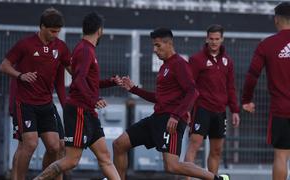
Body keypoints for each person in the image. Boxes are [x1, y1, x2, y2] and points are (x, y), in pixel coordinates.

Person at [113, 28, 230, 180]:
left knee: (172, 166)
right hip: (157, 119)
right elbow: (160, 98)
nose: (155, 50)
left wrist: (176, 116)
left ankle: (216, 179)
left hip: (171, 122)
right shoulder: (164, 67)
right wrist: (134, 89)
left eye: (158, 45)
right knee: (119, 144)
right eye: (154, 46)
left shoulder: (179, 64)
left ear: (169, 44)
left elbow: (192, 92)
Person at [33, 12, 122, 180]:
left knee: (105, 158)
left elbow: (88, 82)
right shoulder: (86, 50)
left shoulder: (86, 49)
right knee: (71, 160)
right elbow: (78, 80)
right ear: (100, 30)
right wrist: (94, 99)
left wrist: (111, 81)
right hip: (80, 111)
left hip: (88, 112)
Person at [0, 7, 71, 180]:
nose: (55, 34)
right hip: (24, 103)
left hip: (46, 104)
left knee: (55, 147)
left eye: (58, 31)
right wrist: (21, 75)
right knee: (29, 144)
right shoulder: (25, 44)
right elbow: (4, 66)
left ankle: (44, 178)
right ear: (42, 27)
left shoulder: (61, 47)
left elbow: (75, 72)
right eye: (52, 31)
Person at [184, 24, 240, 179]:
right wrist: (186, 110)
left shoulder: (228, 61)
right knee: (194, 146)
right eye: (211, 39)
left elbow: (231, 87)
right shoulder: (196, 60)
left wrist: (235, 110)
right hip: (202, 109)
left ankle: (212, 178)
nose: (214, 42)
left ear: (222, 39)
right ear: (206, 39)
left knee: (216, 151)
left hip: (220, 112)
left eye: (217, 39)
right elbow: (189, 87)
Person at [242, 2, 290, 180]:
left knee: (281, 156)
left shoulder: (267, 45)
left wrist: (246, 99)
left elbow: (252, 75)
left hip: (281, 110)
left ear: (276, 19)